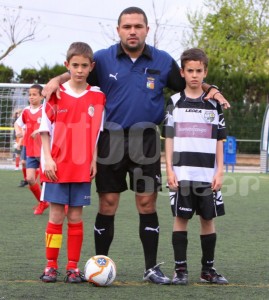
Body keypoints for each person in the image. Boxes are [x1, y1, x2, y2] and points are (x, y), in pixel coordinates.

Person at [42, 7, 230, 284]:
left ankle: (151, 268)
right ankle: (99, 264)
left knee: (146, 202)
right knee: (108, 203)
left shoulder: (163, 61)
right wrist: (54, 80)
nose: (132, 31)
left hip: (147, 141)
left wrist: (212, 89)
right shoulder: (103, 59)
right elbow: (75, 73)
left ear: (146, 30)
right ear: (118, 30)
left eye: (138, 26)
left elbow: (191, 83)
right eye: (127, 26)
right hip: (111, 140)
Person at [39, 42, 106, 283]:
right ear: (67, 66)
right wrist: (47, 158)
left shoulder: (98, 96)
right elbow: (44, 129)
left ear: (91, 67)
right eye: (75, 65)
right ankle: (51, 266)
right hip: (56, 166)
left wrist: (94, 160)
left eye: (84, 66)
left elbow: (97, 132)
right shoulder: (55, 94)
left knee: (76, 218)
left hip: (82, 166)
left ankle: (72, 267)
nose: (79, 70)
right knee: (56, 217)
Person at [162, 48, 228, 285]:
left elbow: (220, 140)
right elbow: (169, 138)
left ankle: (207, 270)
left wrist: (219, 170)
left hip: (207, 174)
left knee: (208, 219)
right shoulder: (174, 102)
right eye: (189, 70)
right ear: (182, 72)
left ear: (205, 72)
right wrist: (169, 169)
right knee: (181, 218)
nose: (194, 75)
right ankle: (180, 270)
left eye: (199, 71)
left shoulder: (214, 104)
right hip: (181, 173)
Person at [15, 84, 49, 214]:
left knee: (48, 179)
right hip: (30, 150)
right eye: (30, 94)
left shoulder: (45, 110)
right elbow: (17, 123)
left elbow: (53, 125)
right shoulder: (26, 111)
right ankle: (42, 203)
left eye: (34, 94)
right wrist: (18, 131)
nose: (31, 97)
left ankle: (63, 203)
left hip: (43, 150)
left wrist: (39, 130)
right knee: (30, 178)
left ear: (41, 96)